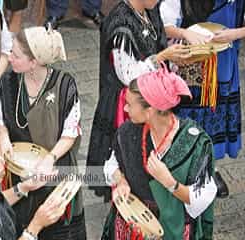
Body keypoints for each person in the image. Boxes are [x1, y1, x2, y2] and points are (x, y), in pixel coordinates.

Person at [86, 0, 191, 201]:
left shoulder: (149, 11)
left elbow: (156, 43)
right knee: (128, 154)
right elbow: (127, 75)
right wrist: (160, 57)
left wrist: (173, 60)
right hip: (129, 103)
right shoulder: (120, 24)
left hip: (149, 96)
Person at [102, 66, 217, 239]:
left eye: (129, 105)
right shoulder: (127, 132)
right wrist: (121, 180)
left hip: (172, 230)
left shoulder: (196, 143)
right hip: (133, 224)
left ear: (149, 111)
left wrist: (170, 183)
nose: (125, 109)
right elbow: (111, 164)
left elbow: (200, 200)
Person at [0, 26, 86, 239]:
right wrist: (4, 137)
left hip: (54, 168)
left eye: (16, 55)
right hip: (19, 169)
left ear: (33, 62)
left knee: (56, 224)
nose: (10, 58)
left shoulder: (65, 85)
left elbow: (70, 132)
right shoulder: (6, 82)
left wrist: (50, 157)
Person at [160, 0, 245, 198]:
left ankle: (210, 169)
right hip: (191, 61)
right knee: (190, 116)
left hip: (223, 59)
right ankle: (185, 168)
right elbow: (163, 24)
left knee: (215, 113)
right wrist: (184, 33)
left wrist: (235, 33)